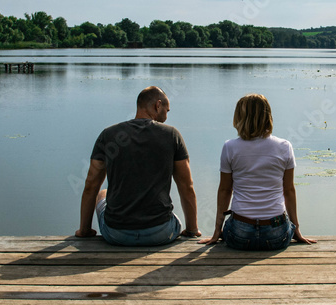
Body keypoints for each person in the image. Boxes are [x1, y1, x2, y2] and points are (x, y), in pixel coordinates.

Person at [75, 86, 200, 245]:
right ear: (157, 105)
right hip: (161, 233)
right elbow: (186, 186)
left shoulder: (108, 135)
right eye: (166, 111)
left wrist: (84, 231)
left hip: (116, 234)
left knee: (102, 193)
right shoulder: (172, 135)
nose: (166, 117)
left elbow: (90, 184)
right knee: (172, 217)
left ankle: (86, 229)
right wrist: (192, 230)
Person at [201, 93, 316, 250]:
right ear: (267, 116)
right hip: (276, 234)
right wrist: (296, 229)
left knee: (231, 227)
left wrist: (217, 231)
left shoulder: (230, 147)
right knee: (283, 224)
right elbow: (289, 190)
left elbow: (225, 190)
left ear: (239, 117)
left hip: (240, 234)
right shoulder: (284, 146)